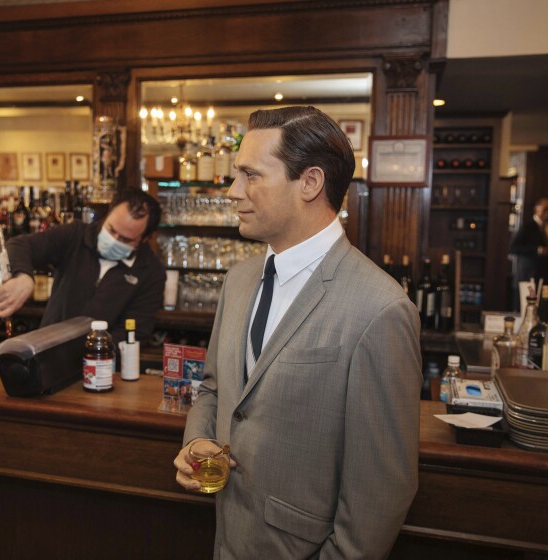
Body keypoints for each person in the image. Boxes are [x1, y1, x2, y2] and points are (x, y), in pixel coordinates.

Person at [173, 107, 421, 559]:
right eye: (235, 175)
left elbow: (381, 491)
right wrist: (196, 439)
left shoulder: (379, 308)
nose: (233, 192)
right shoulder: (239, 279)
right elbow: (212, 388)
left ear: (309, 182)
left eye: (250, 175)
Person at [0, 189, 166, 345]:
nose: (114, 239)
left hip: (102, 368)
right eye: (111, 229)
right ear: (107, 215)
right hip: (46, 353)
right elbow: (19, 245)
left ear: (143, 240)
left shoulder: (151, 273)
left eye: (125, 239)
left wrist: (93, 355)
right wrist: (23, 277)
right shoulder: (76, 236)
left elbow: (132, 334)